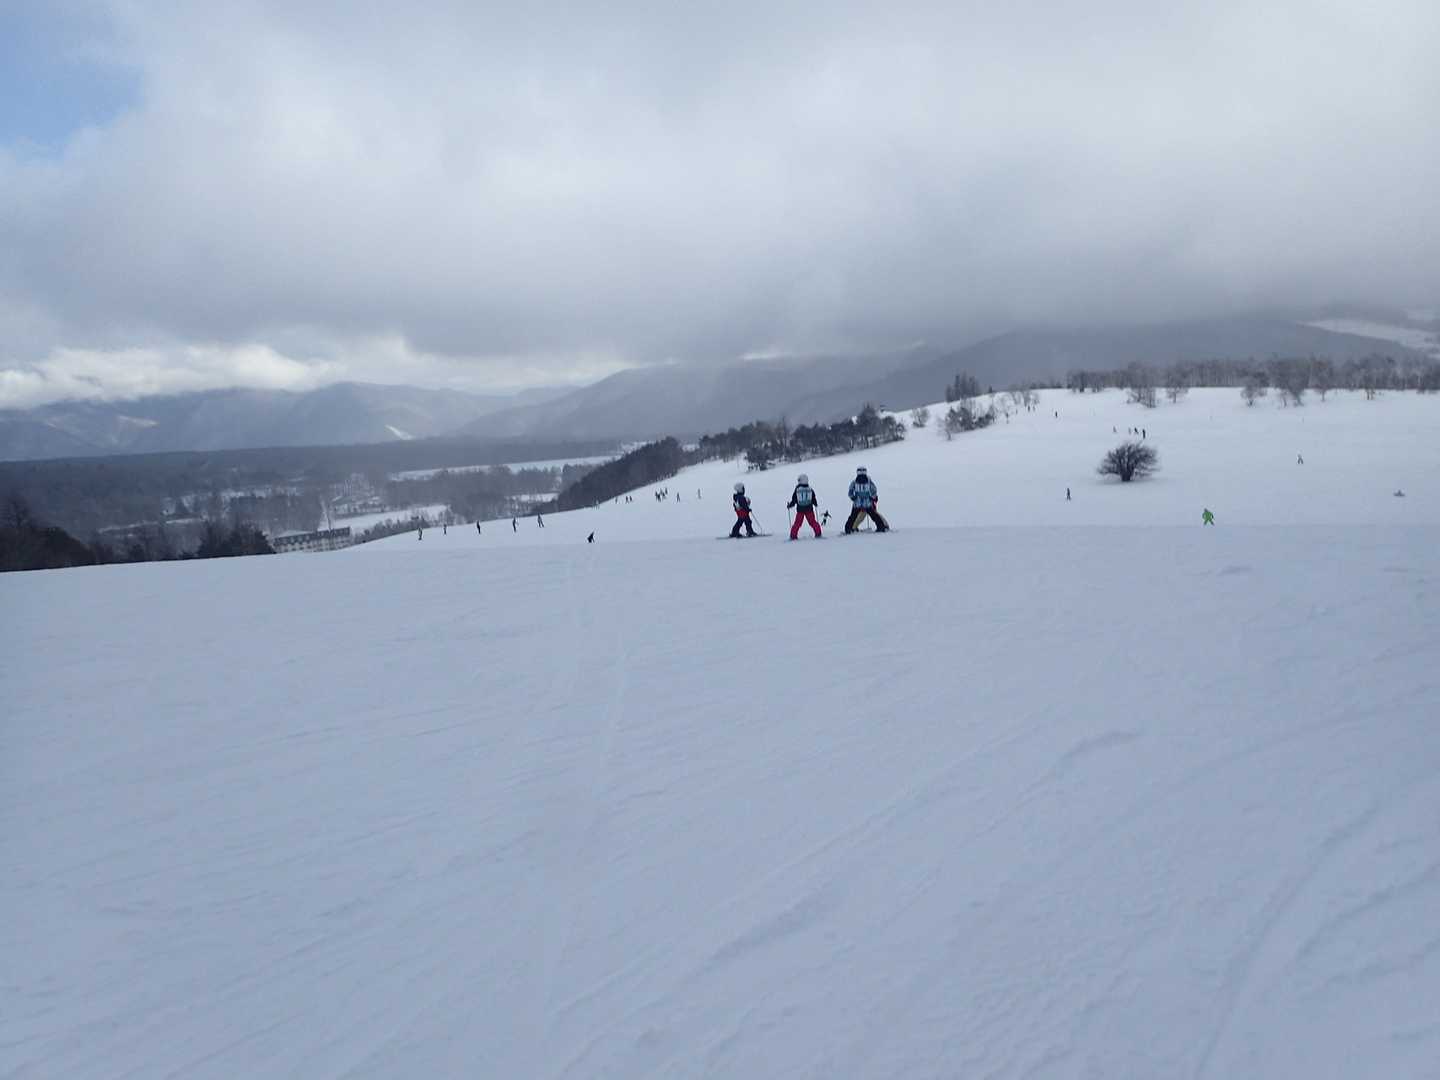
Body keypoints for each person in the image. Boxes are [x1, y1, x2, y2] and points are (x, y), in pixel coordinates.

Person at [845, 466, 889, 533]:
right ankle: (881, 527)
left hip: (859, 502)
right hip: (865, 502)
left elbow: (850, 491)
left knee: (854, 516)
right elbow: (874, 490)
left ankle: (848, 529)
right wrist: (872, 497)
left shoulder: (858, 482)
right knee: (873, 515)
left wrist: (853, 497)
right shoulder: (864, 482)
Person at [787, 473, 822, 539]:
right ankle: (818, 533)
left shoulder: (797, 489)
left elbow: (794, 500)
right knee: (813, 522)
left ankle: (793, 536)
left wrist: (790, 505)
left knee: (797, 523)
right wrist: (815, 504)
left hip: (800, 510)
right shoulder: (810, 489)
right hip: (809, 510)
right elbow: (813, 498)